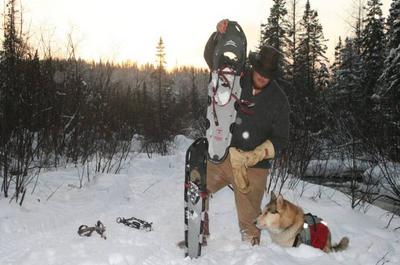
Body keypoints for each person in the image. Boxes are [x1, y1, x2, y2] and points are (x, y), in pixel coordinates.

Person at [203, 19, 290, 246]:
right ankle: (198, 227)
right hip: (225, 156)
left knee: (251, 222)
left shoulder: (279, 100)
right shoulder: (237, 77)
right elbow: (212, 59)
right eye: (259, 71)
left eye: (267, 75)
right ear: (254, 67)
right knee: (199, 187)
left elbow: (281, 139)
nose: (261, 77)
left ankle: (252, 253)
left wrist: (256, 155)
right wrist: (217, 35)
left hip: (254, 167)